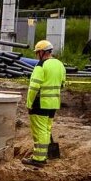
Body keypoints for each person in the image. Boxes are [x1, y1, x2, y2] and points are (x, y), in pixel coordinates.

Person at [22, 40, 66, 168]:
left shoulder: (41, 65)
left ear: (42, 52)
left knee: (40, 131)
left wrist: (29, 103)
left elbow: (34, 86)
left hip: (40, 103)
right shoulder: (59, 64)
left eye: (37, 53)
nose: (36, 55)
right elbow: (63, 83)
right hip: (53, 103)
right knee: (46, 129)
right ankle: (44, 154)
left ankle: (39, 159)